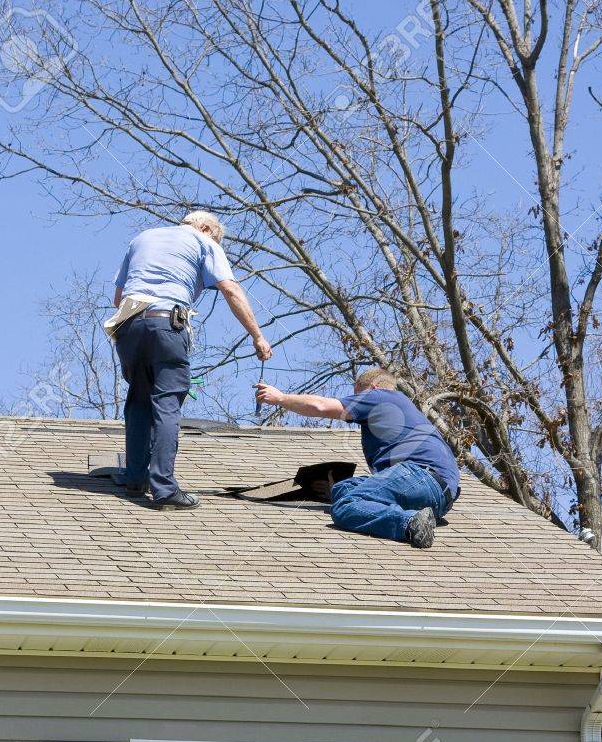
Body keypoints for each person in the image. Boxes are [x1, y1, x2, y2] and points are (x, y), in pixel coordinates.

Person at [110, 211, 273, 510]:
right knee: (167, 402)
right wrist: (257, 336)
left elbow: (118, 298)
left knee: (139, 400)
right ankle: (164, 489)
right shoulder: (203, 241)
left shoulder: (142, 238)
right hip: (166, 324)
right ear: (207, 228)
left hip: (127, 326)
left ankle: (135, 477)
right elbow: (230, 288)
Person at [254, 369, 459, 547]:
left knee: (345, 507)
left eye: (357, 396)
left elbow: (321, 407)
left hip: (419, 477)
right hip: (438, 498)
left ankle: (410, 522)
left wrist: (279, 398)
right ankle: (409, 515)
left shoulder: (379, 396)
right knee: (342, 489)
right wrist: (334, 491)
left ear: (374, 387)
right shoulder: (406, 412)